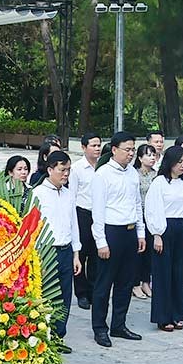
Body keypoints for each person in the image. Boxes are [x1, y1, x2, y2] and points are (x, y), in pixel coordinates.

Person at [89, 131, 146, 347]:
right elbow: (98, 211)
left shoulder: (132, 173)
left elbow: (137, 204)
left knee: (125, 282)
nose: (131, 153)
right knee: (104, 283)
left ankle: (119, 325)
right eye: (127, 149)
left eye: (133, 149)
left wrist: (140, 232)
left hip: (130, 232)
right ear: (114, 150)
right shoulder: (102, 175)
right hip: (111, 232)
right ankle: (100, 328)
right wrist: (101, 241)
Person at [27, 151, 81, 353]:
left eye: (68, 170)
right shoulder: (38, 193)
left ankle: (58, 336)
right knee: (45, 296)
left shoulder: (68, 193)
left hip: (66, 250)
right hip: (45, 251)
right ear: (50, 170)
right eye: (62, 170)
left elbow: (73, 224)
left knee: (65, 296)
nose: (66, 174)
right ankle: (42, 337)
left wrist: (76, 253)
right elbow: (32, 227)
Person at [145, 145, 183, 331]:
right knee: (163, 274)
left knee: (180, 274)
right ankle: (163, 316)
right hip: (165, 228)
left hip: (182, 227)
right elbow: (152, 209)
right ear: (170, 163)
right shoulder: (159, 182)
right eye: (179, 162)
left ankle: (177, 314)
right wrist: (157, 234)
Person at [73, 132, 103, 310]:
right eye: (93, 145)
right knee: (81, 254)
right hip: (82, 214)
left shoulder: (104, 167)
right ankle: (81, 293)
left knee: (96, 254)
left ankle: (93, 290)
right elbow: (73, 195)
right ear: (84, 148)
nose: (97, 148)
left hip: (100, 215)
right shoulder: (77, 169)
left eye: (99, 145)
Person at [133, 143, 159, 300]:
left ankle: (145, 281)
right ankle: (135, 284)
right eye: (148, 155)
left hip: (152, 217)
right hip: (138, 216)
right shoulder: (134, 175)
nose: (152, 158)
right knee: (138, 252)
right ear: (140, 158)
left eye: (153, 155)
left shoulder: (157, 175)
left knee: (150, 252)